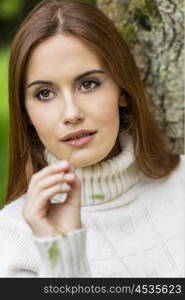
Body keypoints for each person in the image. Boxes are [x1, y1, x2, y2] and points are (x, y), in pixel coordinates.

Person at [0, 0, 184, 278]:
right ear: (26, 112)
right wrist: (62, 256)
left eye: (88, 84)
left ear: (122, 89)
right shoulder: (14, 238)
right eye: (45, 93)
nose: (71, 114)